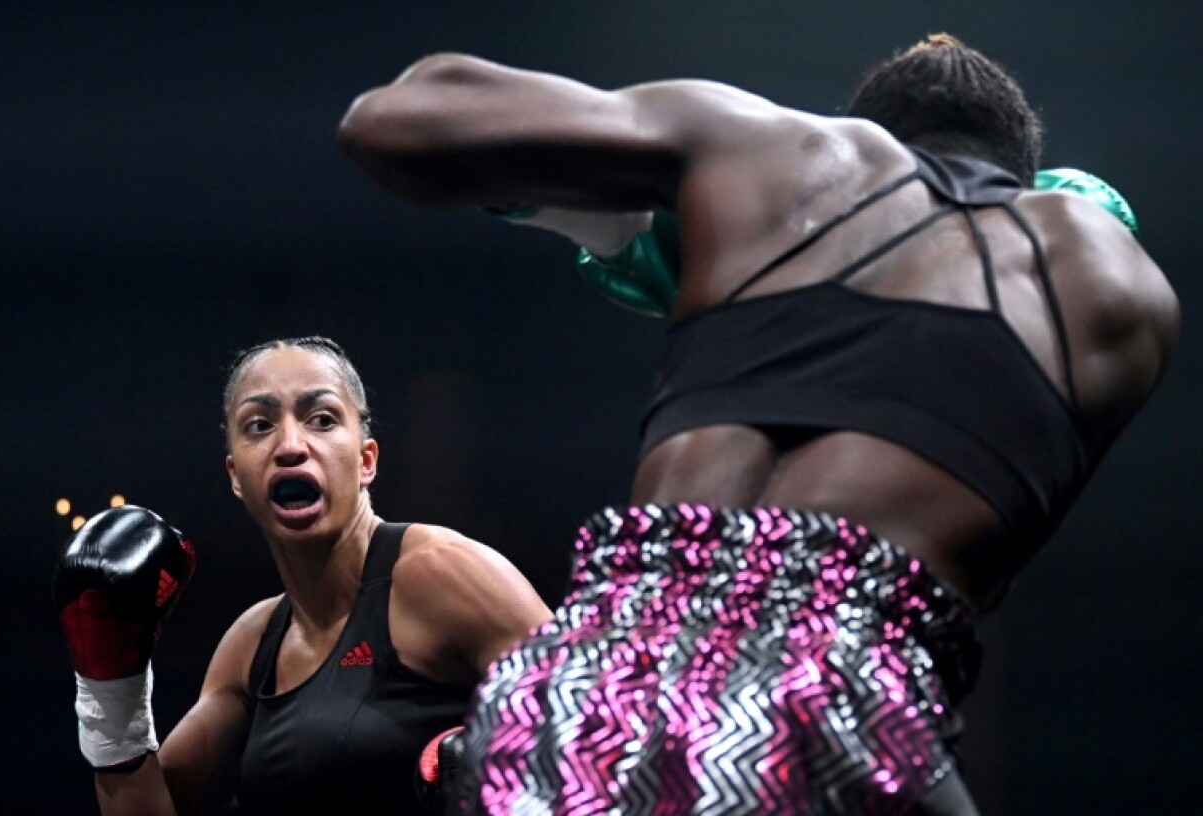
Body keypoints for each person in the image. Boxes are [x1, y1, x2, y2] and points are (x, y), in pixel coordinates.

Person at [336, 34, 1180, 815]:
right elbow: (986, 575)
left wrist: (633, 202)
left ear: (864, 138)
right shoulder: (1109, 281)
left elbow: (393, 120)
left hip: (578, 692)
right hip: (832, 710)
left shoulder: (758, 151)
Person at [54, 336, 553, 815]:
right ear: (236, 477)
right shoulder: (251, 647)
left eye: (322, 419)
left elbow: (591, 719)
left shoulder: (440, 573)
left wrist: (515, 789)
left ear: (366, 460)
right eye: (259, 425)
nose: (291, 445)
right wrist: (110, 689)